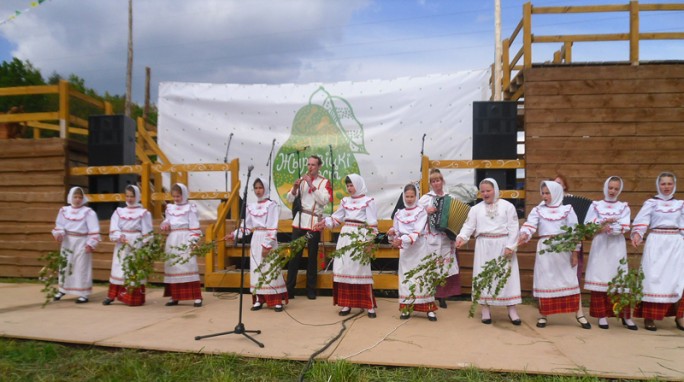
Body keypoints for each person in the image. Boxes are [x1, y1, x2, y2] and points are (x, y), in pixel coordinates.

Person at [518, 180, 591, 329]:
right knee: (546, 280)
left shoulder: (568, 209)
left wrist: (574, 253)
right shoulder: (538, 210)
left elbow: (574, 232)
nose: (544, 196)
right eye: (543, 193)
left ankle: (579, 314)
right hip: (545, 250)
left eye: (548, 193)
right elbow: (530, 225)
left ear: (556, 193)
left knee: (569, 280)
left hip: (563, 249)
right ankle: (543, 315)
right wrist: (525, 234)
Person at [456, 178, 522, 325]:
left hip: (503, 245)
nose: (485, 193)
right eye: (483, 191)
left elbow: (513, 227)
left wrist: (511, 246)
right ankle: (485, 309)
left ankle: (512, 309)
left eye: (488, 190)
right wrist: (461, 237)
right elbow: (468, 226)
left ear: (495, 190)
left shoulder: (507, 206)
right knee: (484, 276)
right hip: (484, 246)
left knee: (507, 276)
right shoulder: (475, 209)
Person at [314, 174, 378, 318]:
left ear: (358, 184)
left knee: (361, 269)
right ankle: (346, 303)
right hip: (346, 236)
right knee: (345, 267)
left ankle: (369, 305)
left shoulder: (368, 201)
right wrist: (324, 223)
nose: (349, 188)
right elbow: (336, 218)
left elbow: (372, 223)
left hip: (360, 236)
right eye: (348, 186)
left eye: (352, 185)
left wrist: (369, 241)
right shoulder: (345, 201)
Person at [631, 172, 684, 331]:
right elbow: (642, 221)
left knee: (678, 279)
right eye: (663, 184)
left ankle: (680, 316)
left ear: (674, 185)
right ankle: (650, 316)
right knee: (653, 277)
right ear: (658, 185)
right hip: (656, 242)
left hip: (675, 244)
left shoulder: (680, 204)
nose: (666, 187)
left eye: (669, 184)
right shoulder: (651, 203)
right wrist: (637, 234)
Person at [583, 176, 637, 330]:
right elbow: (588, 224)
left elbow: (625, 225)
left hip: (616, 245)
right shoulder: (596, 205)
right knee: (601, 276)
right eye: (610, 187)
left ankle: (625, 315)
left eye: (616, 188)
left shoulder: (624, 207)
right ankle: (602, 315)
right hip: (600, 244)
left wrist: (613, 228)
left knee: (618, 277)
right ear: (605, 187)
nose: (613, 191)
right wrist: (601, 226)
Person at [227, 178, 287, 312]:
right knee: (257, 268)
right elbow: (247, 227)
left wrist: (267, 245)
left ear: (265, 188)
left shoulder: (272, 205)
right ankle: (259, 299)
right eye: (256, 188)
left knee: (270, 267)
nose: (258, 190)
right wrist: (234, 234)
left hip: (267, 238)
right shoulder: (250, 206)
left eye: (260, 188)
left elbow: (272, 226)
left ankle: (276, 299)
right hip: (256, 239)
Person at [285, 155, 332, 300]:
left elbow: (324, 200)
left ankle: (311, 289)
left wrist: (311, 185)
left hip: (314, 223)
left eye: (313, 165)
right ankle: (289, 289)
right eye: (309, 164)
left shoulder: (324, 182)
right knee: (294, 256)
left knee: (312, 257)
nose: (310, 167)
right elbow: (290, 199)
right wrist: (294, 187)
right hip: (299, 221)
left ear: (319, 166)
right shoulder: (302, 180)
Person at [389, 183, 437, 321]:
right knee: (406, 278)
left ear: (416, 196)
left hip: (419, 247)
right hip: (405, 250)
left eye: (412, 196)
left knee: (422, 276)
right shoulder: (399, 213)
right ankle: (406, 308)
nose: (409, 199)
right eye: (407, 196)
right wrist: (392, 234)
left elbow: (417, 231)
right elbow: (396, 231)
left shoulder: (421, 211)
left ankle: (428, 308)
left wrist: (401, 240)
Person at [103, 185, 153, 306]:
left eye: (132, 196)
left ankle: (133, 297)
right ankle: (112, 295)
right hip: (122, 242)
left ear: (137, 196)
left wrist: (147, 246)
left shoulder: (143, 213)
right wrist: (120, 236)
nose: (130, 199)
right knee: (119, 267)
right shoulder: (119, 212)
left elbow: (147, 231)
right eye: (128, 196)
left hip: (136, 242)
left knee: (133, 268)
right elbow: (114, 227)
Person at [418, 169, 460, 308]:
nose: (436, 183)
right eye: (433, 181)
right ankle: (429, 294)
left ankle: (442, 296)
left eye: (438, 180)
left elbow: (456, 214)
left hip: (446, 237)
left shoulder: (450, 197)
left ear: (442, 181)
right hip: (431, 237)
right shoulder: (425, 198)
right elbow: (415, 214)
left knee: (443, 267)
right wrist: (426, 211)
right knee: (431, 265)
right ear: (430, 183)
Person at [51, 187, 100, 303]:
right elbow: (60, 225)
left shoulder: (88, 212)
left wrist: (90, 243)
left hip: (81, 242)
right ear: (70, 197)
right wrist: (59, 234)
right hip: (68, 241)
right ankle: (63, 288)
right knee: (65, 265)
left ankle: (83, 293)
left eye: (80, 197)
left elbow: (94, 229)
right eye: (75, 197)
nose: (77, 199)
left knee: (81, 266)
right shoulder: (64, 211)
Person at [160, 183, 203, 307]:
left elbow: (194, 226)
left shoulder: (190, 208)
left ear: (183, 195)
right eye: (174, 196)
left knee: (188, 266)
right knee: (173, 266)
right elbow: (168, 220)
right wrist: (165, 224)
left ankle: (196, 296)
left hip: (185, 238)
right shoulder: (170, 208)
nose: (176, 199)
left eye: (178, 196)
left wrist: (193, 241)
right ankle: (175, 296)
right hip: (173, 239)